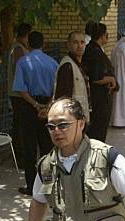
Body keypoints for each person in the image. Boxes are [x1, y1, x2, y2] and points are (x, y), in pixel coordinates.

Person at [12, 31, 58, 196]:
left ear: (28, 44)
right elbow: (56, 89)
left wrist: (36, 105)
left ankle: (32, 186)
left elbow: (21, 90)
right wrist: (47, 106)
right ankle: (48, 184)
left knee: (29, 149)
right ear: (43, 43)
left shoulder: (23, 62)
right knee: (47, 147)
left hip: (29, 107)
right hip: (48, 106)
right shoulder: (53, 63)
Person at [82, 23, 117, 142]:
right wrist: (111, 79)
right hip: (99, 98)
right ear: (102, 36)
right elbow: (96, 78)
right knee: (98, 129)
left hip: (97, 96)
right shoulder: (95, 52)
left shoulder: (92, 48)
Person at [8, 23, 32, 169]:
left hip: (21, 92)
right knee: (20, 126)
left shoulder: (22, 48)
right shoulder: (17, 49)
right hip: (18, 94)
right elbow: (21, 69)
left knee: (21, 124)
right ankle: (20, 156)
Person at [54, 31, 90, 121]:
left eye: (82, 42)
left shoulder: (79, 64)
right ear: (68, 45)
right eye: (75, 42)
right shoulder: (67, 66)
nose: (80, 46)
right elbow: (63, 98)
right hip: (71, 119)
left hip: (79, 118)